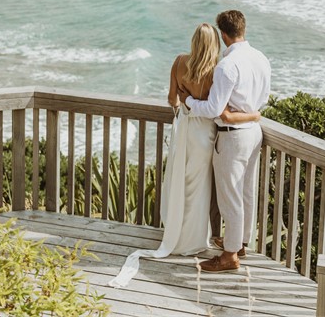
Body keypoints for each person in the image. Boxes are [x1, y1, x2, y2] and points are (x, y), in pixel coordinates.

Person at [110, 23, 257, 288]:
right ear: (214, 43)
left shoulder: (179, 62)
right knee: (200, 187)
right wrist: (253, 115)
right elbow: (217, 110)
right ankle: (195, 240)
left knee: (179, 179)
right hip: (206, 135)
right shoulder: (215, 71)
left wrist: (185, 101)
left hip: (183, 130)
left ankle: (176, 234)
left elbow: (172, 100)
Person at [185, 9, 271, 272]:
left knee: (229, 196)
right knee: (246, 191)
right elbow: (264, 100)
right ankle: (240, 242)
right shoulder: (261, 58)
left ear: (223, 35)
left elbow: (213, 108)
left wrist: (189, 102)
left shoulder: (226, 66)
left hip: (232, 137)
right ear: (242, 29)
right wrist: (249, 114)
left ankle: (229, 256)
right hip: (253, 132)